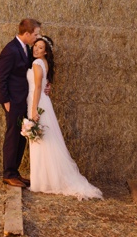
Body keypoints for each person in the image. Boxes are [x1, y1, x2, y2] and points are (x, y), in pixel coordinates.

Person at [26, 36, 102, 200]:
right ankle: (45, 179)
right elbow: (45, 84)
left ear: (46, 51)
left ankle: (44, 181)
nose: (36, 49)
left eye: (40, 48)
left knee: (42, 141)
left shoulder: (36, 63)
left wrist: (33, 110)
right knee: (46, 140)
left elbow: (38, 86)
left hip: (37, 103)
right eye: (35, 46)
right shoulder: (44, 63)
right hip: (43, 102)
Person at [0, 18, 40, 188]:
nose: (37, 37)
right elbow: (0, 77)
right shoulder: (10, 50)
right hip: (13, 101)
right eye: (35, 34)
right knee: (13, 136)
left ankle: (15, 171)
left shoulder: (25, 49)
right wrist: (5, 100)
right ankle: (8, 174)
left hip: (23, 100)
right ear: (27, 33)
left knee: (21, 138)